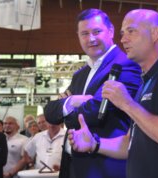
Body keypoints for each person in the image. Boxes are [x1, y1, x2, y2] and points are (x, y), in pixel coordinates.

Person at [68, 9, 158, 178]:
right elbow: (130, 143)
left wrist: (127, 103)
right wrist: (95, 144)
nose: (123, 39)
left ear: (155, 33)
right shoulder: (146, 81)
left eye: (131, 31)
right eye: (122, 33)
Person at [44, 8, 141, 178]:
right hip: (73, 166)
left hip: (104, 167)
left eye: (97, 31)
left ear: (110, 31)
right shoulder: (80, 74)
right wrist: (73, 101)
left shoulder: (124, 65)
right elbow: (50, 113)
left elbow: (97, 112)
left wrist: (65, 111)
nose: (91, 39)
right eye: (84, 33)